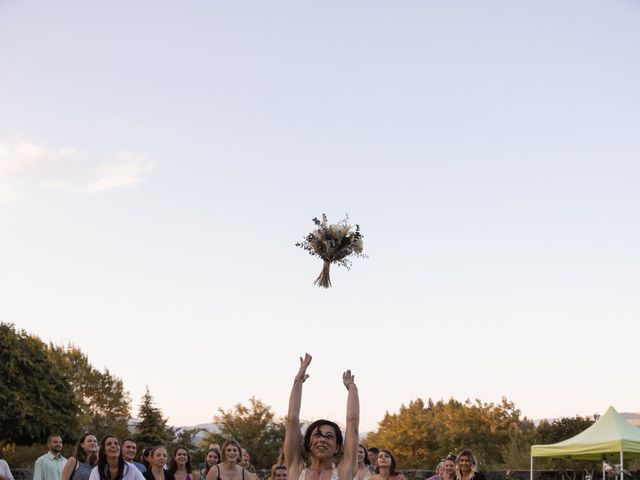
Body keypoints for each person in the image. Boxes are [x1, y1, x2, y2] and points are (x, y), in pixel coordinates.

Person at [283, 353, 360, 480]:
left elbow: (353, 421)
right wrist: (298, 381)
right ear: (308, 442)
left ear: (337, 447)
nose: (322, 440)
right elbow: (292, 420)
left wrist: (352, 387)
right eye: (317, 435)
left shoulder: (344, 472)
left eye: (329, 436)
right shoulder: (296, 471)